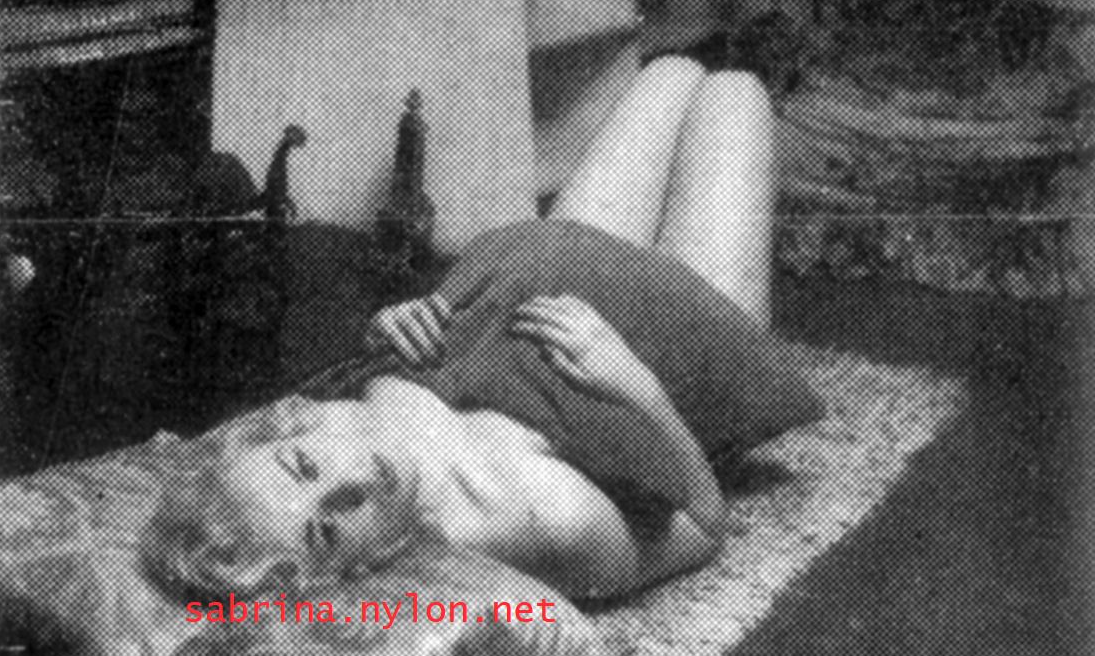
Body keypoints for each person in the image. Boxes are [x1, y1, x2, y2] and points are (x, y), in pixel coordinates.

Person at [149, 215, 824, 608]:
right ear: (345, 579)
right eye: (327, 530)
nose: (350, 482)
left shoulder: (321, 421)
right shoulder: (536, 524)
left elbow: (373, 365)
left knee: (669, 77)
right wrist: (635, 382)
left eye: (302, 466)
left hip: (547, 263)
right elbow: (704, 527)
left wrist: (386, 327)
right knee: (730, 92)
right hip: (679, 338)